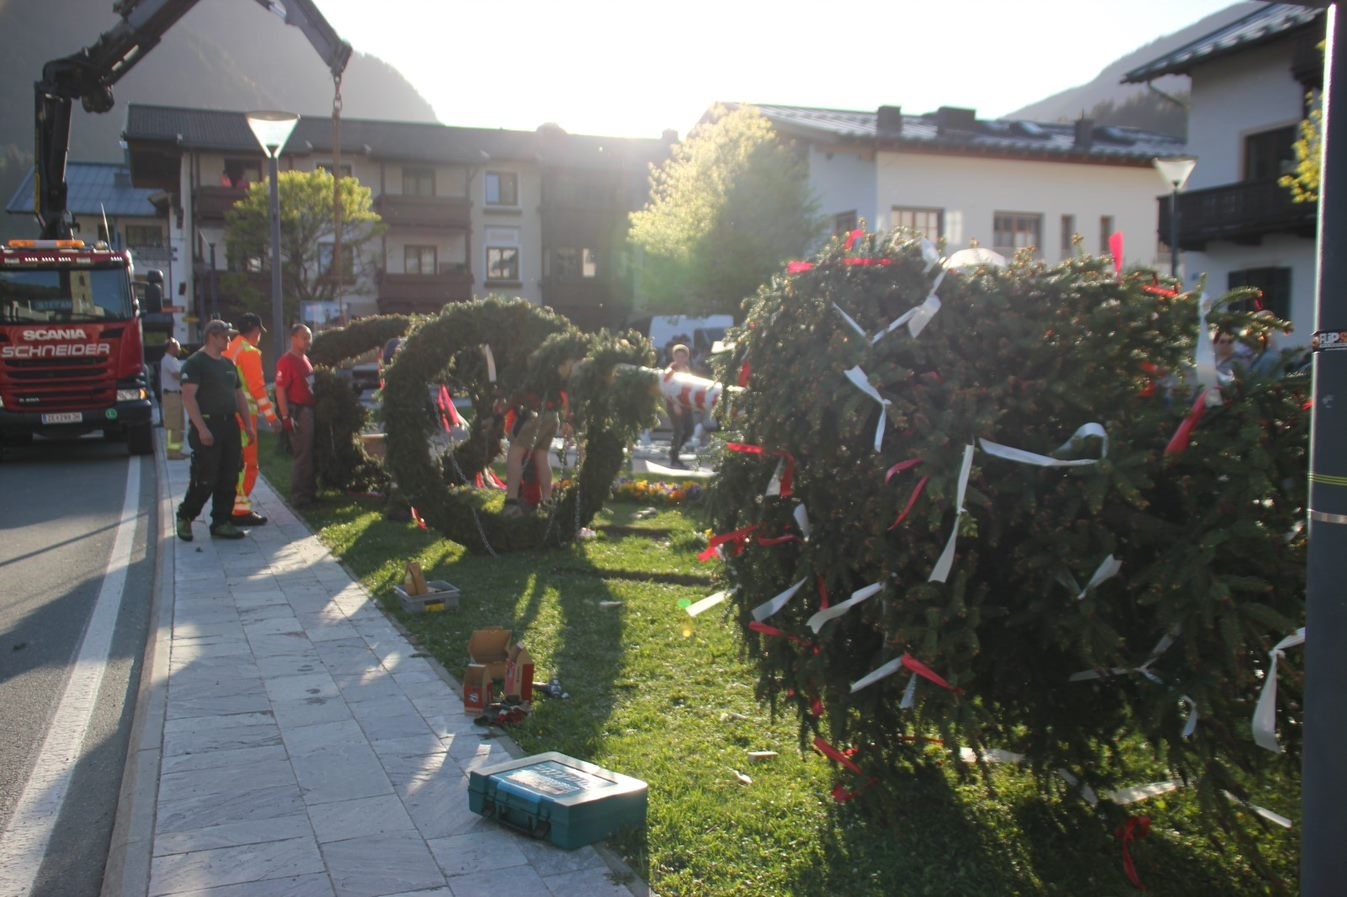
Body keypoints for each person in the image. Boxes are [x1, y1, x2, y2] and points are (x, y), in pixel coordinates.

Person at [177, 320, 253, 541]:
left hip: (229, 426)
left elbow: (239, 397)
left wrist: (247, 425)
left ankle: (221, 521)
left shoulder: (229, 364)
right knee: (205, 477)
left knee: (229, 476)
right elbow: (188, 398)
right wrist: (202, 429)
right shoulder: (196, 364)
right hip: (208, 426)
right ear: (212, 336)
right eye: (225, 336)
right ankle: (185, 516)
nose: (229, 340)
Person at [224, 313, 281, 525]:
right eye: (259, 333)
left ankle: (230, 506)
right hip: (245, 417)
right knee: (249, 465)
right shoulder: (250, 352)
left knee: (234, 463)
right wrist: (272, 418)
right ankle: (239, 510)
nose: (260, 337)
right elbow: (257, 389)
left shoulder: (230, 347)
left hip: (229, 414)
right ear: (256, 331)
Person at [275, 324, 317, 508]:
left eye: (309, 337)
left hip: (308, 410)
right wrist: (285, 417)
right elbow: (280, 390)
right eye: (304, 337)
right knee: (302, 454)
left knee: (308, 453)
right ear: (294, 338)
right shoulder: (287, 361)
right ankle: (300, 497)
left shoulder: (305, 359)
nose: (308, 341)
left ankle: (309, 491)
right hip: (298, 412)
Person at [665, 343, 693, 468]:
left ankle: (674, 453)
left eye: (683, 356)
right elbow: (668, 389)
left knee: (689, 430)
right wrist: (675, 405)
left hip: (686, 406)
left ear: (687, 358)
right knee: (679, 431)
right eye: (678, 356)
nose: (680, 359)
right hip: (674, 406)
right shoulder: (671, 370)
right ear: (674, 357)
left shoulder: (686, 370)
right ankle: (674, 459)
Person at [160, 337, 185, 460]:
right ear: (171, 347)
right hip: (171, 395)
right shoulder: (168, 360)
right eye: (177, 346)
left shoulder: (173, 359)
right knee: (173, 425)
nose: (179, 349)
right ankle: (172, 452)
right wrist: (188, 377)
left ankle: (177, 450)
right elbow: (177, 375)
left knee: (179, 424)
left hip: (176, 395)